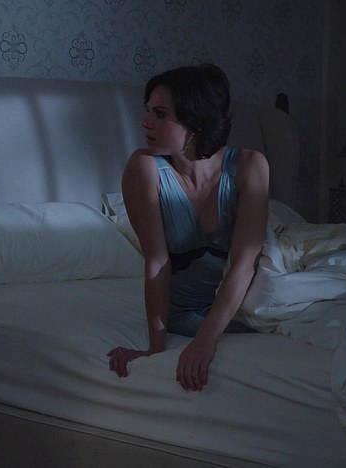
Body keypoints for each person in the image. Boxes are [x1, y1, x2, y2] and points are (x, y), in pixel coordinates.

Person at [107, 64, 268, 392]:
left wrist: (206, 340)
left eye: (160, 114)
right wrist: (155, 349)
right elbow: (157, 263)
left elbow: (244, 264)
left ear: (195, 122)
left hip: (245, 304)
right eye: (148, 111)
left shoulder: (250, 166)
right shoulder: (144, 169)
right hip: (184, 312)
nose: (146, 122)